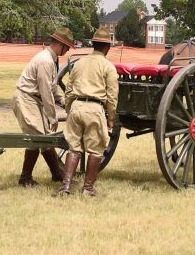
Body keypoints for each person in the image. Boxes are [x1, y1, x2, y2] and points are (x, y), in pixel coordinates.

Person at [55, 28, 119, 197]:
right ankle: (88, 188)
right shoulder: (108, 67)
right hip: (94, 108)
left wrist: (70, 110)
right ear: (107, 47)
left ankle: (66, 187)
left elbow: (68, 90)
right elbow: (112, 97)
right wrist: (110, 119)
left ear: (93, 44)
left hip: (76, 107)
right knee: (95, 150)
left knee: (73, 148)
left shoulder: (79, 63)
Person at [12, 27, 74, 187]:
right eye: (67, 47)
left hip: (34, 99)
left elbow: (52, 88)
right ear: (60, 44)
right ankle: (25, 179)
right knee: (37, 136)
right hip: (26, 97)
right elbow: (46, 92)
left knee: (44, 136)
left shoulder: (52, 59)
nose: (67, 51)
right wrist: (52, 117)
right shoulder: (46, 61)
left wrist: (65, 103)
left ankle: (57, 173)